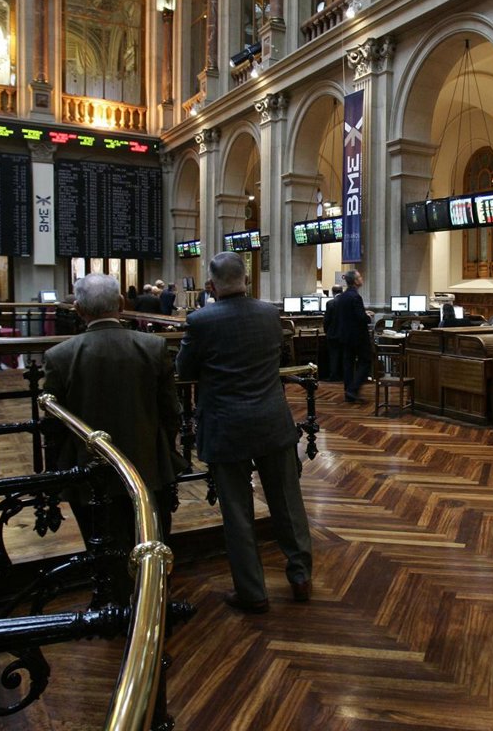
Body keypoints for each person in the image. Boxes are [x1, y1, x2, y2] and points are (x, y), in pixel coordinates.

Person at [175, 252, 312, 613]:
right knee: (288, 502)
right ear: (247, 281)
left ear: (211, 285)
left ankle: (253, 592)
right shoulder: (270, 314)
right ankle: (301, 576)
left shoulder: (200, 321)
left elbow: (184, 370)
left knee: (237, 512)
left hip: (226, 425)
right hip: (271, 420)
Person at [42, 273, 183, 603]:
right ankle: (153, 604)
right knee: (151, 543)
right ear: (121, 303)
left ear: (78, 310)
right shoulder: (153, 347)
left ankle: (112, 604)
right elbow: (171, 411)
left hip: (89, 472)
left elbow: (54, 425)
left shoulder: (59, 356)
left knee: (102, 548)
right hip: (149, 465)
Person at [339, 269, 371, 403]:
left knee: (348, 364)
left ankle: (348, 392)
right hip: (358, 336)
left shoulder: (342, 296)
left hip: (345, 335)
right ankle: (353, 389)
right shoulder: (356, 297)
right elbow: (360, 318)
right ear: (355, 281)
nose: (362, 278)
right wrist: (368, 316)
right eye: (360, 277)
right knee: (366, 361)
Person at [322, 284, 344, 382]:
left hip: (333, 334)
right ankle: (343, 375)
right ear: (342, 291)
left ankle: (334, 376)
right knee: (344, 355)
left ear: (332, 292)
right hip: (345, 334)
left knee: (334, 355)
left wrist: (326, 331)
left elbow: (326, 320)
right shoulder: (348, 302)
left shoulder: (330, 303)